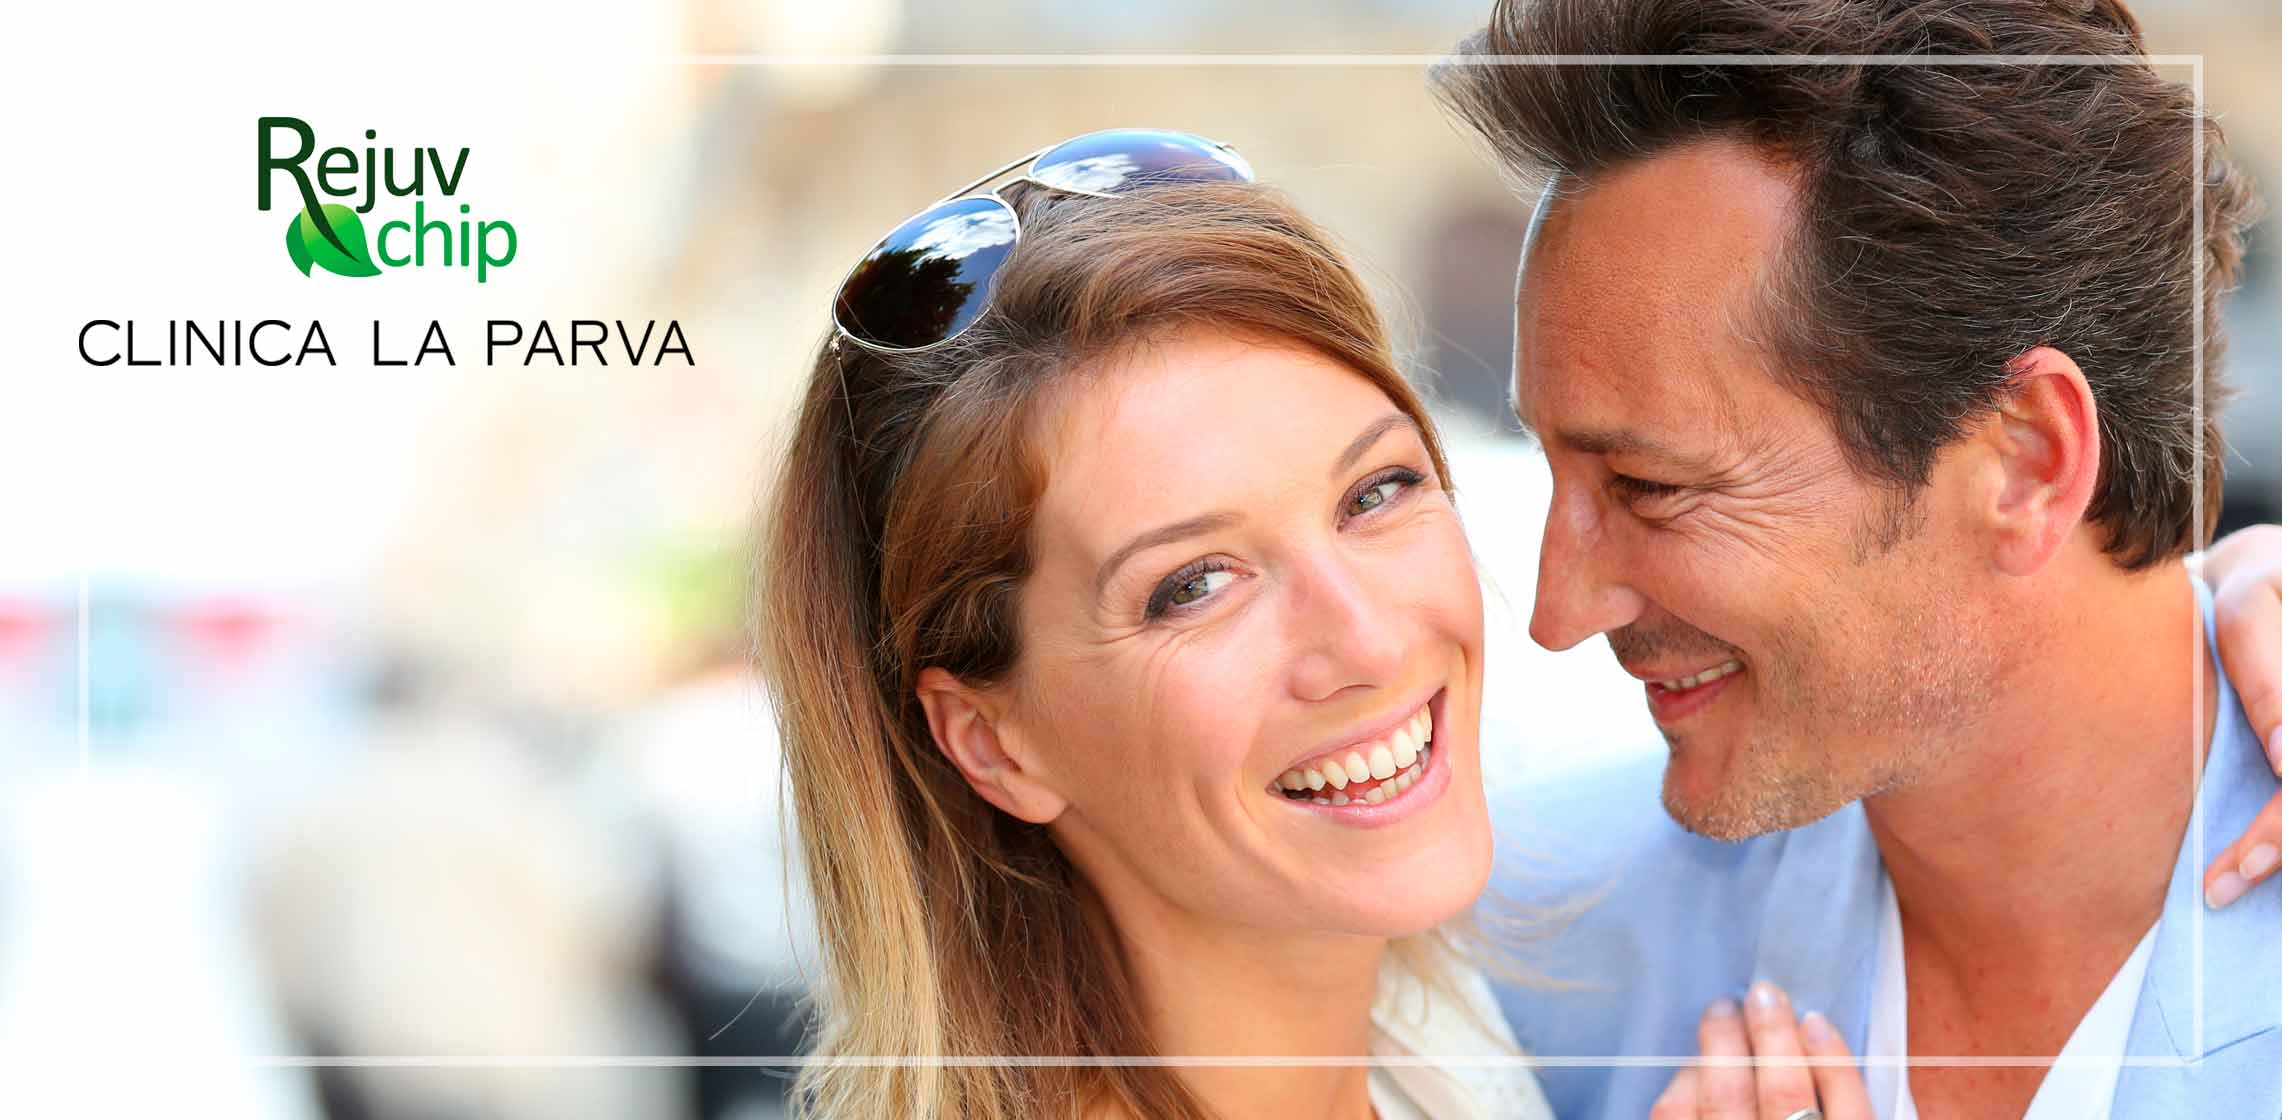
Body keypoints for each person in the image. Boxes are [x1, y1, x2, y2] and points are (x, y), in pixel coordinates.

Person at [1430, 0, 2282, 1117]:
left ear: (2025, 461)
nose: (1558, 611)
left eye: (1649, 486)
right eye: (1555, 469)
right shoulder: (1525, 960)